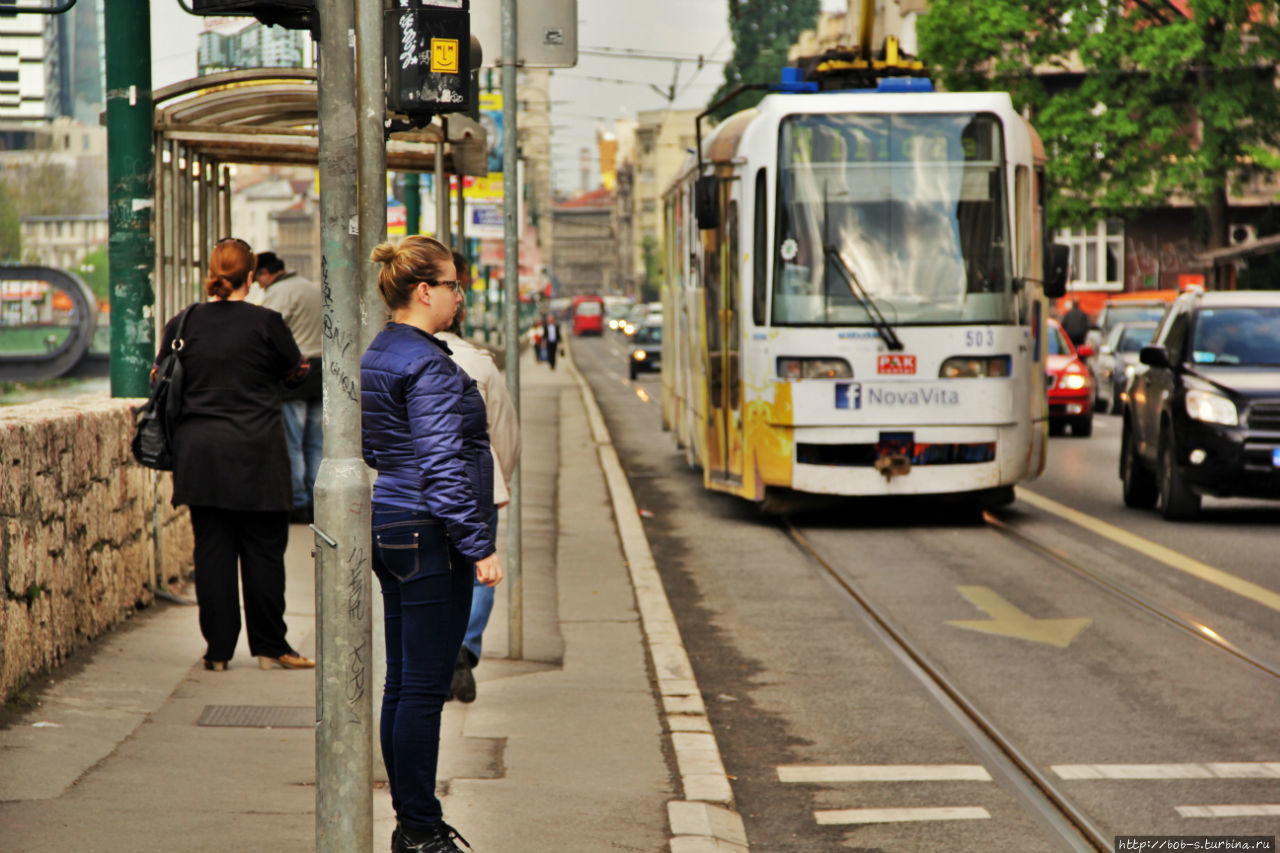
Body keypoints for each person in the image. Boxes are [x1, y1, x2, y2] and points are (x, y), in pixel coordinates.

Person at [361, 235, 504, 853]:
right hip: (430, 534)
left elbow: (379, 448)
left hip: (394, 523)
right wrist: (478, 546)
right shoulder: (430, 364)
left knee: (403, 684)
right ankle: (419, 829)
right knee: (423, 690)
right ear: (425, 291)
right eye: (452, 285)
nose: (459, 295)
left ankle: (412, 822)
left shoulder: (383, 350)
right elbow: (445, 465)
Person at [155, 237, 315, 673]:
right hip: (257, 453)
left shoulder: (183, 323)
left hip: (200, 455)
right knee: (264, 552)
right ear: (251, 277)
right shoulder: (266, 323)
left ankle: (218, 652)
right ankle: (269, 647)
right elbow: (296, 372)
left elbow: (159, 378)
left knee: (213, 553)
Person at [439, 251, 521, 703]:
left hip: (421, 495)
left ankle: (436, 654)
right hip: (478, 488)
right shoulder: (481, 364)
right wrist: (499, 482)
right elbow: (507, 436)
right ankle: (464, 650)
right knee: (478, 572)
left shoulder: (393, 357)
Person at [254, 251, 323, 524]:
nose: (259, 285)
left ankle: (299, 503)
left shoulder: (278, 294)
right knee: (316, 443)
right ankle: (319, 501)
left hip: (297, 373)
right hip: (321, 372)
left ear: (265, 274)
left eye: (258, 279)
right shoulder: (311, 288)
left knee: (292, 442)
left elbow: (268, 336)